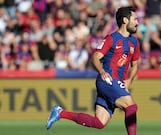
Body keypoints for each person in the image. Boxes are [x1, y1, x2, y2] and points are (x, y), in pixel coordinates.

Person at [46, 6, 140, 135]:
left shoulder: (134, 42)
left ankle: (60, 113)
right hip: (108, 80)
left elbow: (135, 65)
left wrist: (129, 80)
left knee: (99, 122)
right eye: (135, 19)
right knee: (131, 107)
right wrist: (102, 72)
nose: (137, 22)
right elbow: (96, 56)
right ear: (125, 20)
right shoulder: (112, 38)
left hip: (118, 83)